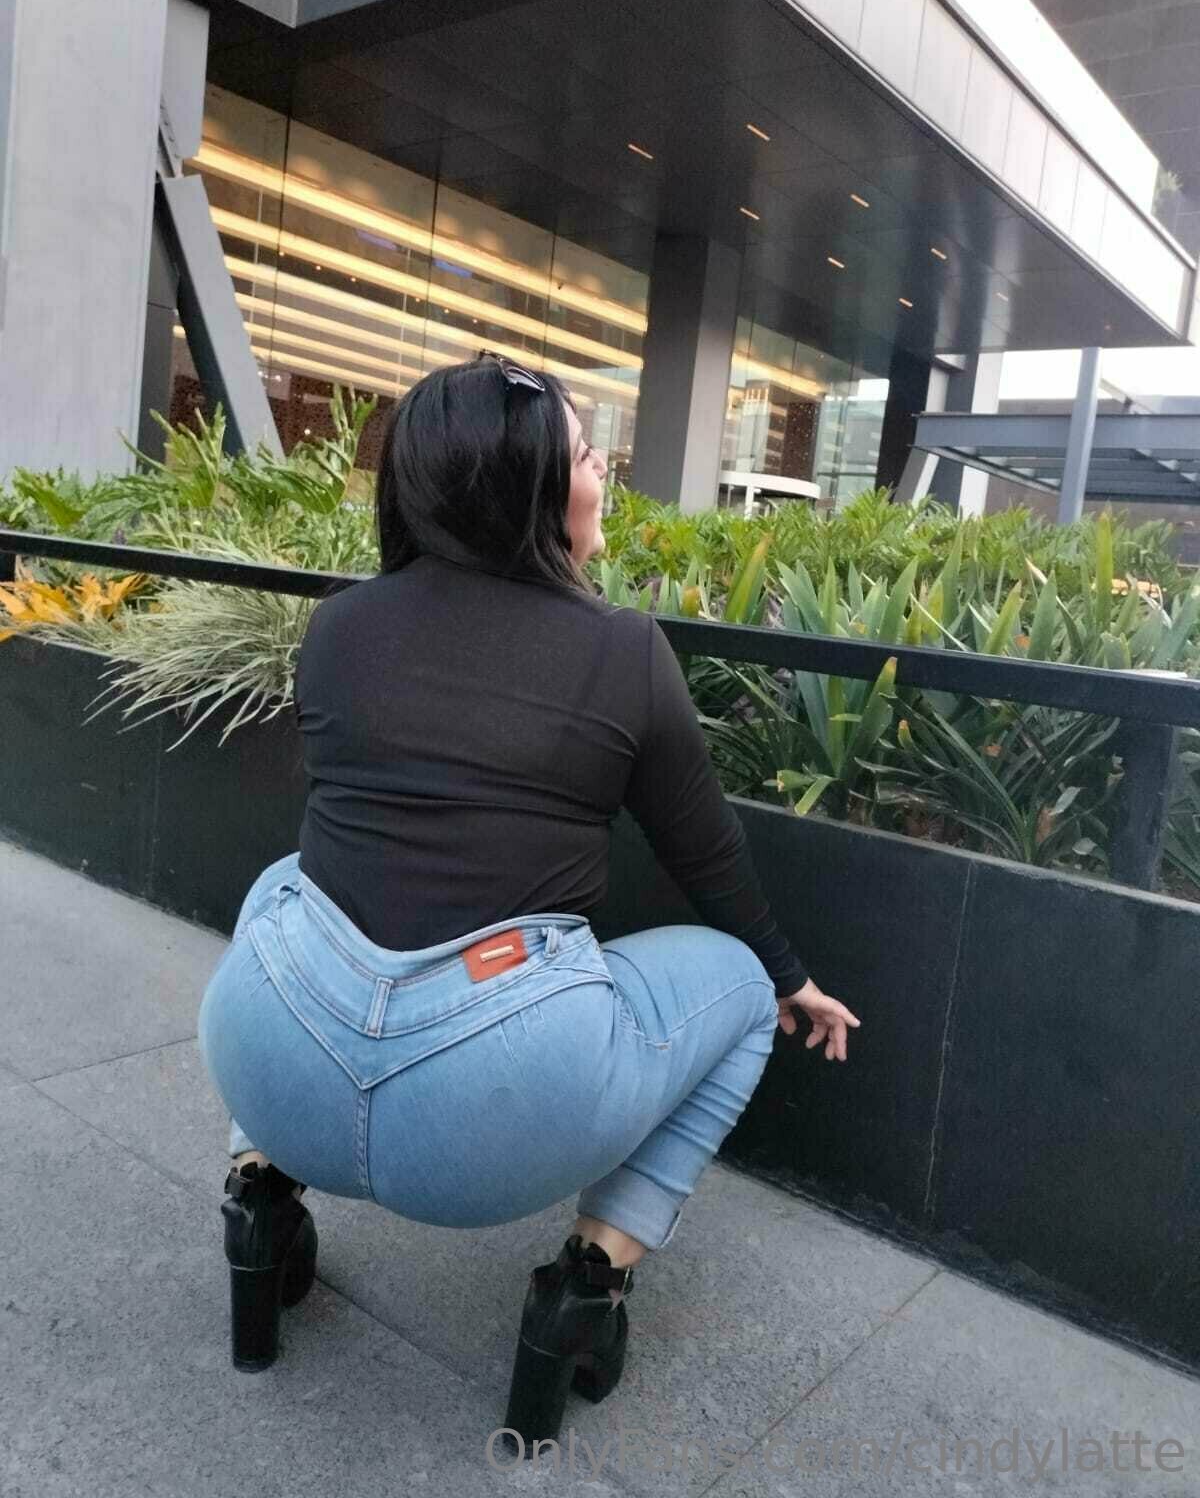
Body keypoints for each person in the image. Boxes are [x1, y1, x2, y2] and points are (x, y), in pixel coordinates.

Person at [197, 351, 861, 1450]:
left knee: (287, 884)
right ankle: (588, 1287)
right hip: (493, 1119)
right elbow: (707, 856)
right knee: (742, 986)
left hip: (271, 1067)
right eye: (591, 456)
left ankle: (258, 1197)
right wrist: (792, 978)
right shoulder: (624, 651)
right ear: (534, 490)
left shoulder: (338, 627)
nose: (605, 477)